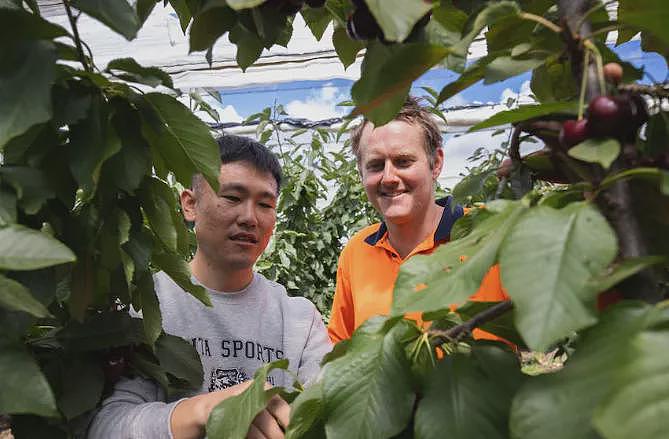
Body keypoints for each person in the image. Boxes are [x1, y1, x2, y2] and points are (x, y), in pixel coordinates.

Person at [88, 135, 331, 439]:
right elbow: (107, 426)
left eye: (265, 204)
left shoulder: (300, 320)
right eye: (232, 197)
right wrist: (203, 410)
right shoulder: (147, 306)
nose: (249, 218)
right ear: (190, 204)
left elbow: (328, 411)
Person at [328, 97, 509, 343]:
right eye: (375, 165)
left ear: (436, 163)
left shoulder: (488, 235)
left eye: (403, 161)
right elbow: (341, 345)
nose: (389, 177)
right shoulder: (357, 251)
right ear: (361, 173)